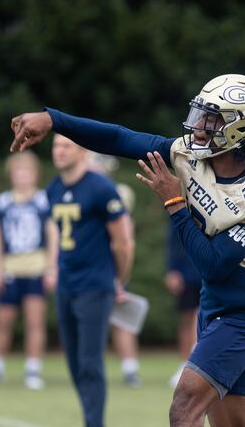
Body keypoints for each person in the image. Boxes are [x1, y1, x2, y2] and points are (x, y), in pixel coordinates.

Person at [11, 73, 245, 427]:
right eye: (200, 115)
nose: (199, 127)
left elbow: (213, 265)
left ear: (240, 129)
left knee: (183, 407)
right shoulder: (188, 156)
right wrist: (55, 120)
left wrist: (175, 204)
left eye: (211, 119)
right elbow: (120, 138)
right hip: (216, 305)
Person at [44, 134, 134, 426]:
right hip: (66, 284)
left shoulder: (101, 187)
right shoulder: (54, 187)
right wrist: (53, 268)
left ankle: (94, 423)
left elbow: (123, 242)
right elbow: (56, 234)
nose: (59, 151)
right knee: (73, 363)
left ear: (83, 152)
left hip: (95, 285)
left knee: (90, 362)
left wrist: (118, 280)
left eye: (66, 146)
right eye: (56, 146)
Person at [0, 151, 57, 390]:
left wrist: (52, 268)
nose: (22, 176)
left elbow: (53, 235)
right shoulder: (2, 201)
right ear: (10, 175)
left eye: (27, 171)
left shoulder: (43, 200)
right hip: (10, 267)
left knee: (35, 321)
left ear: (35, 174)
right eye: (18, 171)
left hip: (36, 267)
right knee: (3, 320)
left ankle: (33, 369)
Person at [86, 152, 143, 388]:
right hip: (89, 264)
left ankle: (130, 369)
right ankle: (89, 368)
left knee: (120, 318)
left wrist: (120, 276)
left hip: (109, 262)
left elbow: (124, 237)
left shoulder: (117, 193)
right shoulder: (81, 190)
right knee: (89, 320)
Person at [164, 225, 202, 389]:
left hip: (211, 271)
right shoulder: (182, 206)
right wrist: (172, 270)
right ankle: (185, 364)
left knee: (204, 318)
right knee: (187, 318)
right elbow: (173, 241)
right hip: (187, 273)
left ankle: (201, 366)